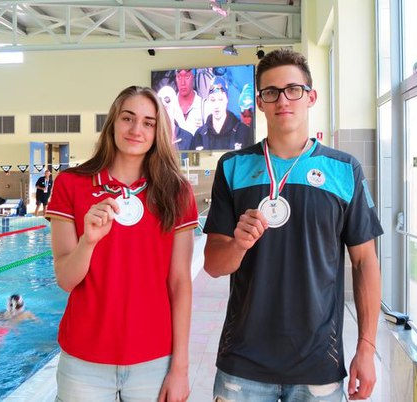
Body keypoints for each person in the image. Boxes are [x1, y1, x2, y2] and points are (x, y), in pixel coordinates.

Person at [202, 48, 383, 402]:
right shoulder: (233, 167)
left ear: (310, 97)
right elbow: (212, 264)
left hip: (318, 365)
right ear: (260, 102)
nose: (283, 100)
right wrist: (238, 244)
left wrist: (366, 347)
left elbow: (365, 261)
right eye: (271, 92)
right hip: (243, 364)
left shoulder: (344, 170)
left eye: (293, 90)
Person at [45, 85, 198, 402]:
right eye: (127, 118)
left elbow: (180, 283)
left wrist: (180, 368)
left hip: (154, 359)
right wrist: (88, 242)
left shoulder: (176, 192)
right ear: (113, 123)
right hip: (84, 360)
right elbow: (66, 279)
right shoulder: (71, 184)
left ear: (157, 132)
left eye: (148, 122)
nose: (136, 129)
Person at [193, 76, 254, 151]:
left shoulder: (243, 132)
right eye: (213, 100)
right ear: (208, 101)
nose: (216, 105)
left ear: (227, 100)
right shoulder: (199, 135)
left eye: (220, 99)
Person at [157, 85, 194, 151]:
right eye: (161, 110)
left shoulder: (188, 138)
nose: (164, 114)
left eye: (167, 109)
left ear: (175, 108)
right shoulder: (152, 137)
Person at [174, 68, 205, 134]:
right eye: (179, 77)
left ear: (194, 77)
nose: (182, 83)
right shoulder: (169, 107)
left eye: (187, 76)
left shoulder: (204, 106)